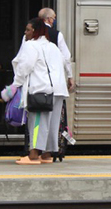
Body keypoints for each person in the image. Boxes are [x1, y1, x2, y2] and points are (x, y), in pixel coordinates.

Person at [12, 17, 70, 165]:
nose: (25, 33)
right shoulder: (53, 46)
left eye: (28, 30)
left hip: (41, 89)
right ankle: (47, 154)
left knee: (37, 122)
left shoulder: (30, 45)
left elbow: (25, 66)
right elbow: (64, 62)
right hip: (58, 89)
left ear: (35, 31)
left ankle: (33, 155)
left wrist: (15, 84)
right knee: (53, 122)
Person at [38, 7, 75, 93]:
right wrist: (70, 76)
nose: (54, 20)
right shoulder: (57, 34)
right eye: (54, 18)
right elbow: (66, 57)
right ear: (49, 19)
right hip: (54, 81)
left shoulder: (29, 33)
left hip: (35, 83)